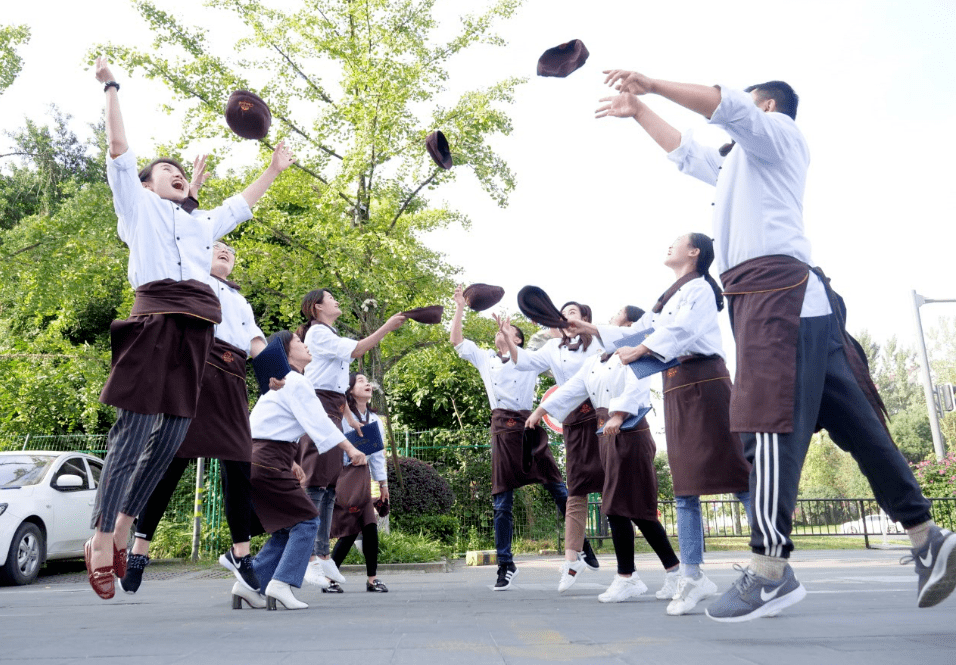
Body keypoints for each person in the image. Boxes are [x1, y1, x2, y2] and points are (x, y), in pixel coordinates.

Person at [596, 70, 955, 620]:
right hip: (790, 301)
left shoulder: (777, 133)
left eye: (745, 108)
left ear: (764, 106)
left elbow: (728, 108)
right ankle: (928, 537)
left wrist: (651, 84)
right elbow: (688, 153)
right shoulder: (745, 165)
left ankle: (769, 572)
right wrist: (639, 112)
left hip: (775, 299)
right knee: (858, 426)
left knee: (763, 425)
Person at [85, 56, 294, 600]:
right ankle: (104, 537)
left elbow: (238, 205)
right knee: (133, 433)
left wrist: (273, 169)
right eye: (166, 170)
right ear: (147, 185)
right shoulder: (137, 208)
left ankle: (130, 523)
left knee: (174, 436)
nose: (176, 172)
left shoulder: (198, 225)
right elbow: (118, 150)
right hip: (154, 321)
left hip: (196, 332)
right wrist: (112, 84)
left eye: (182, 171)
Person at [571, 234, 752, 616]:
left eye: (677, 242)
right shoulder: (668, 296)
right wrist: (589, 330)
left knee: (736, 477)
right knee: (685, 488)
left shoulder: (700, 289)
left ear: (695, 252)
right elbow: (640, 331)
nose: (668, 246)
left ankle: (770, 559)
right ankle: (692, 575)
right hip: (678, 386)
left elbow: (679, 332)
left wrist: (640, 350)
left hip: (706, 383)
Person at [119, 240, 267, 594]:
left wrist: (281, 375)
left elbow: (256, 343)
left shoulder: (241, 300)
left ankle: (241, 552)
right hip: (194, 370)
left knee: (239, 463)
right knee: (170, 463)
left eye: (231, 250)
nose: (225, 251)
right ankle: (139, 550)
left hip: (232, 378)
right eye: (216, 246)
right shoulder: (189, 278)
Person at [525, 344, 680, 603]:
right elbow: (573, 389)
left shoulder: (632, 355)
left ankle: (631, 577)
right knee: (629, 509)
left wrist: (618, 414)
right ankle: (666, 573)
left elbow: (638, 384)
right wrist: (542, 410)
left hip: (629, 429)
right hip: (606, 432)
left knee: (622, 507)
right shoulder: (594, 362)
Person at [450, 286, 570, 590]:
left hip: (529, 427)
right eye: (497, 330)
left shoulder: (528, 359)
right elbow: (456, 340)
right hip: (503, 429)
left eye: (506, 329)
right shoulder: (486, 359)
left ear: (517, 338)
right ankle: (506, 564)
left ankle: (580, 549)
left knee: (559, 489)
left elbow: (557, 340)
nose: (498, 332)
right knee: (502, 501)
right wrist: (460, 306)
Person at [243, 331, 367, 610]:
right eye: (299, 343)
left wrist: (292, 461)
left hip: (263, 456)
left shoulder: (282, 384)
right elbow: (319, 423)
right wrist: (350, 449)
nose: (306, 345)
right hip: (268, 458)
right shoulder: (296, 380)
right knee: (309, 521)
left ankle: (250, 584)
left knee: (288, 527)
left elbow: (270, 425)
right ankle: (282, 583)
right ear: (286, 353)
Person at [295, 289, 405, 592]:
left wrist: (354, 423)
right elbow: (357, 351)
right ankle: (311, 558)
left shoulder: (328, 333)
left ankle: (323, 556)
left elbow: (337, 394)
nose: (337, 302)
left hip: (329, 407)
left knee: (328, 487)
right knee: (316, 487)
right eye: (332, 298)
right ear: (318, 307)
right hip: (319, 409)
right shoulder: (318, 333)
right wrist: (386, 327)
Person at [502, 302, 603, 591]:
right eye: (564, 312)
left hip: (601, 415)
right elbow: (522, 361)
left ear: (585, 319)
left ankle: (628, 571)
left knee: (613, 489)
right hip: (573, 419)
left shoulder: (597, 342)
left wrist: (542, 409)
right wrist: (509, 338)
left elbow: (583, 384)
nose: (566, 316)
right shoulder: (552, 348)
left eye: (573, 312)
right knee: (577, 490)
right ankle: (572, 561)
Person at [330, 373, 390, 592]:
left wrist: (383, 485)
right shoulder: (341, 416)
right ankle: (330, 578)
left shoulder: (374, 420)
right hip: (344, 477)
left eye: (368, 381)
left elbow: (377, 456)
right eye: (361, 381)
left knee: (369, 526)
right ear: (350, 389)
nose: (367, 384)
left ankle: (372, 579)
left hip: (362, 478)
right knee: (350, 529)